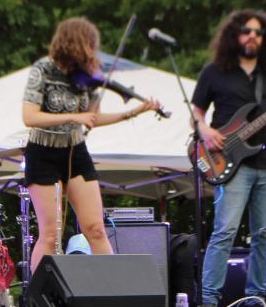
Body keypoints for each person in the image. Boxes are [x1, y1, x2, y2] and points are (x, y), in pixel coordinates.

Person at [21, 17, 162, 273]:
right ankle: (38, 301)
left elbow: (93, 118)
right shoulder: (43, 69)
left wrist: (135, 111)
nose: (92, 51)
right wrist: (73, 117)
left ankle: (111, 294)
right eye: (89, 44)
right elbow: (30, 117)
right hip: (42, 152)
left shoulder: (90, 75)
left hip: (76, 152)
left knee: (95, 228)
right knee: (50, 235)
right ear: (74, 43)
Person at [192, 10, 266, 307]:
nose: (252, 36)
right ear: (234, 35)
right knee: (224, 230)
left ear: (265, 39)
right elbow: (197, 111)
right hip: (231, 164)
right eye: (246, 30)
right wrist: (206, 130)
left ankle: (256, 300)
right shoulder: (214, 71)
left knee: (265, 234)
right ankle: (208, 301)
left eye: (258, 32)